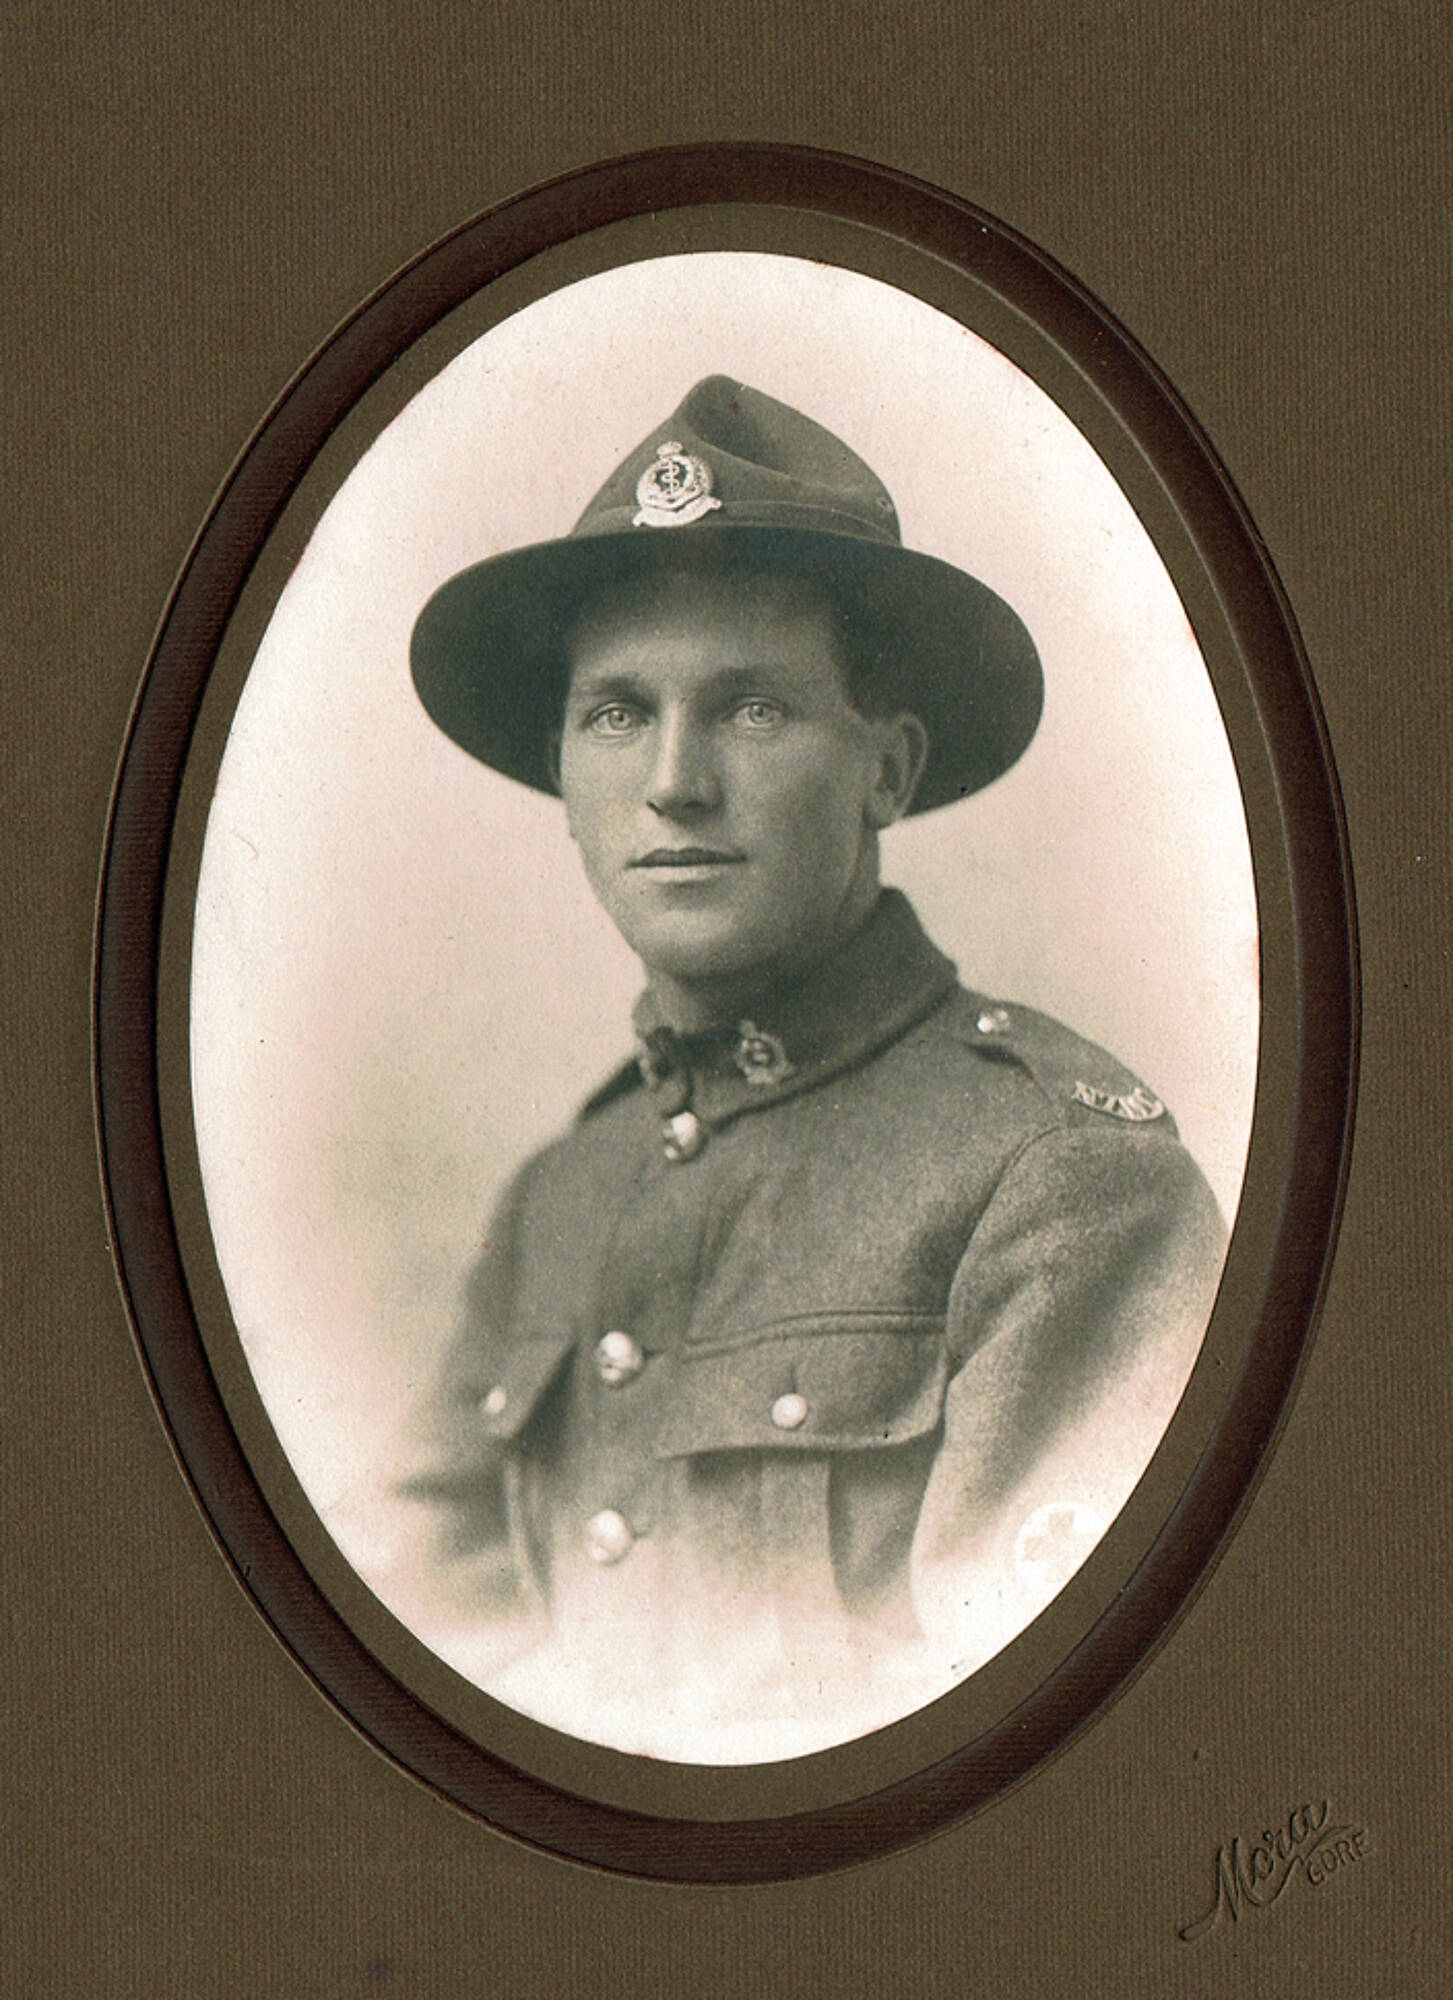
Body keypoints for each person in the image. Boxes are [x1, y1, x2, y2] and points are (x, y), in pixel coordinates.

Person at [397, 375, 1226, 1763]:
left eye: (753, 710)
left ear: (885, 772)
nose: (671, 781)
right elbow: (416, 1643)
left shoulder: (1062, 1182)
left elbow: (1052, 1759)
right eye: (614, 712)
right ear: (563, 774)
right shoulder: (564, 1190)